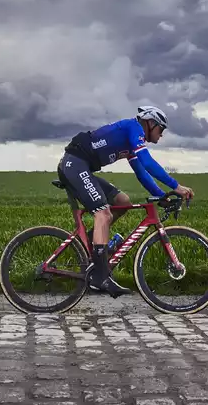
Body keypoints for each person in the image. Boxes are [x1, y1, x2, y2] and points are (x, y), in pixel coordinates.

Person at [56, 106, 194, 297]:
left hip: (81, 166)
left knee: (123, 201)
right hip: (74, 164)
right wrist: (176, 186)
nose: (161, 136)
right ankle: (100, 276)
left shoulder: (131, 142)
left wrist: (162, 196)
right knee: (103, 214)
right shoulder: (133, 128)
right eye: (160, 130)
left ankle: (90, 242)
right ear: (150, 123)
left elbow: (142, 174)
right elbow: (147, 162)